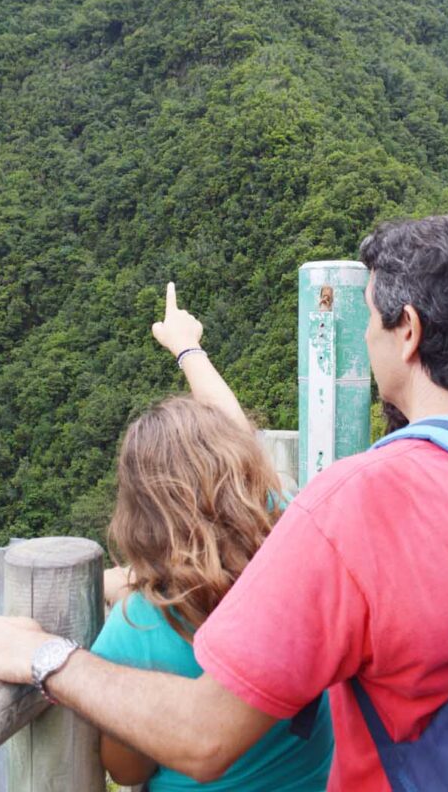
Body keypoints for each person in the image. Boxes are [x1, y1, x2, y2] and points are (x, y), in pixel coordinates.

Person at [0, 214, 448, 791]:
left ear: (406, 330)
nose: (364, 334)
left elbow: (203, 737)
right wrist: (188, 351)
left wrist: (45, 657)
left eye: (369, 317)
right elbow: (237, 449)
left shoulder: (358, 506)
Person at [76, 285, 333, 789]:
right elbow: (234, 431)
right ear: (240, 473)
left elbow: (126, 771)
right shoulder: (285, 538)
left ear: (139, 509)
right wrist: (187, 348)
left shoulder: (135, 633)